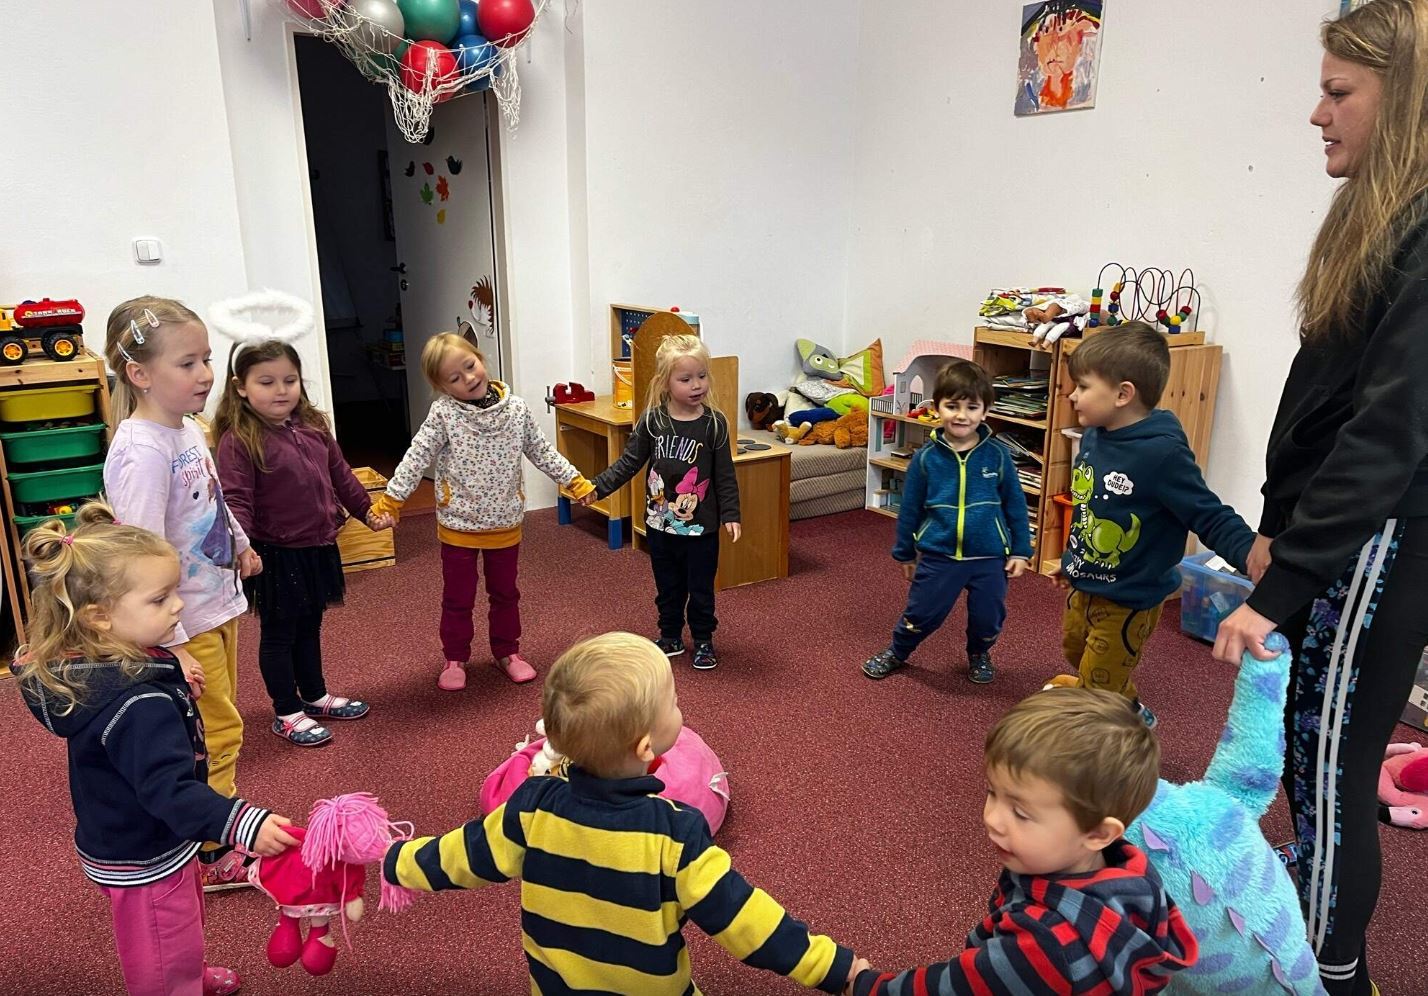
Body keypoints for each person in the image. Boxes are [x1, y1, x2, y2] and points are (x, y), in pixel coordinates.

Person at [1213, 4, 1428, 992]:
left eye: (1339, 92)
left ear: (1408, 98)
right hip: (1332, 542)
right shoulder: (1379, 226)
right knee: (1311, 774)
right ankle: (1315, 938)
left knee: (1332, 786)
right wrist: (1274, 529)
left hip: (1378, 548)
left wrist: (1281, 584)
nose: (1316, 113)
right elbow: (1322, 401)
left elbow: (1387, 435)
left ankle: (1334, 978)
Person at [382, 632, 865, 994]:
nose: (679, 707)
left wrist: (392, 858)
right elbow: (746, 920)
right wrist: (838, 970)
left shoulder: (530, 806)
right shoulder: (675, 833)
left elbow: (457, 857)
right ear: (646, 747)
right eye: (673, 702)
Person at [12, 504, 298, 996]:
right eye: (160, 599)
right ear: (100, 616)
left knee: (180, 923)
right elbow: (169, 789)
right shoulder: (138, 704)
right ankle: (175, 984)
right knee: (163, 942)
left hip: (140, 832)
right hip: (144, 848)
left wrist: (174, 675)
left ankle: (187, 973)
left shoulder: (106, 661)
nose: (178, 606)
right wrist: (242, 823)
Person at [850, 687, 1197, 995]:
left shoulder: (1043, 946)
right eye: (992, 792)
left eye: (1020, 812)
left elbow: (952, 987)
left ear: (1098, 833)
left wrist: (864, 985)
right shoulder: (1131, 870)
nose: (992, 818)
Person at [102, 295, 264, 891]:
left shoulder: (187, 429)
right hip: (182, 623)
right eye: (187, 363)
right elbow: (137, 558)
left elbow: (212, 499)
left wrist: (240, 543)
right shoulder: (142, 452)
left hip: (215, 603)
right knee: (217, 733)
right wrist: (171, 645)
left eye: (206, 360)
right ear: (139, 374)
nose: (205, 375)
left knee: (221, 725)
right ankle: (214, 850)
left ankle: (211, 826)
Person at [1050, 321, 1254, 728]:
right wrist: (1072, 561)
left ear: (1123, 394)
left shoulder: (1162, 456)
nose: (1072, 395)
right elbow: (1090, 507)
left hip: (1130, 596)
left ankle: (1106, 747)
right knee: (1077, 652)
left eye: (1083, 386)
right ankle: (1127, 705)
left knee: (1097, 684)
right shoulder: (1094, 436)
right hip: (1085, 583)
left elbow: (1207, 513)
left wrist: (1253, 553)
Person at [370, 332, 594, 690]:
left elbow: (542, 452)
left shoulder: (516, 410)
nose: (468, 378)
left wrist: (575, 481)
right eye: (454, 378)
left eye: (470, 366)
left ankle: (508, 652)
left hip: (504, 521)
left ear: (481, 358)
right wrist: (391, 501)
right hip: (458, 524)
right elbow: (416, 458)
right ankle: (455, 658)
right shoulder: (444, 414)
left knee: (505, 594)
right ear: (442, 387)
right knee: (458, 597)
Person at [213, 336, 393, 747]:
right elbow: (235, 499)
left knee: (310, 624)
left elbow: (341, 475)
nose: (281, 390)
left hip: (318, 545)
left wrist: (367, 511)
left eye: (289, 380)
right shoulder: (239, 439)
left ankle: (314, 695)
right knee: (280, 633)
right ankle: (286, 711)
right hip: (274, 552)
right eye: (266, 382)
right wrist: (242, 546)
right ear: (241, 387)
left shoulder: (313, 425)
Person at [862, 359, 1032, 684]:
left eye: (972, 407)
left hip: (989, 557)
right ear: (937, 407)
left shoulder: (998, 456)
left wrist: (1021, 550)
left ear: (985, 411)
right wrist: (905, 553)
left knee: (988, 616)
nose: (961, 415)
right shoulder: (926, 459)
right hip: (940, 555)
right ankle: (898, 651)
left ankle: (979, 653)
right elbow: (910, 510)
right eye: (952, 406)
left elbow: (1015, 505)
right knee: (921, 613)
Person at [580, 335, 741, 670]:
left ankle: (703, 639)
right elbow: (628, 463)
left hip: (701, 530)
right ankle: (670, 636)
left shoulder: (714, 424)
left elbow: (725, 474)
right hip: (660, 525)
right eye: (685, 379)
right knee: (668, 587)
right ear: (665, 382)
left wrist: (731, 514)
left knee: (700, 588)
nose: (696, 385)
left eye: (702, 376)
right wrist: (598, 486)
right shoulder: (652, 421)